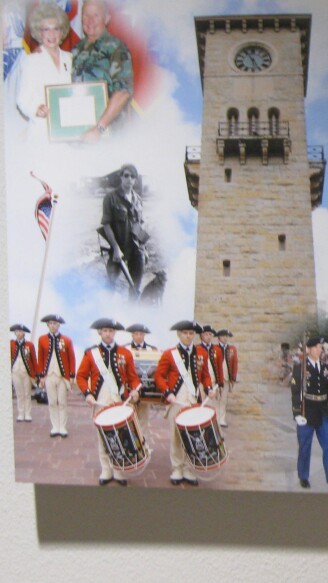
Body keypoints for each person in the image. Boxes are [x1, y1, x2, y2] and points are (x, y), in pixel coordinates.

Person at [76, 318, 141, 486]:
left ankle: (119, 470)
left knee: (121, 436)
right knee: (103, 436)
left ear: (115, 333)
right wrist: (88, 394)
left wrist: (135, 390)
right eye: (105, 330)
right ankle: (106, 469)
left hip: (120, 401)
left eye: (111, 331)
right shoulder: (91, 354)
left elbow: (133, 378)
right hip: (101, 401)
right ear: (100, 332)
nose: (108, 334)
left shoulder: (125, 354)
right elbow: (81, 377)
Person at [154, 320, 213, 486]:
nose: (188, 336)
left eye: (191, 333)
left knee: (193, 435)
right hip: (176, 400)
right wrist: (168, 393)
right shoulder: (169, 354)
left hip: (194, 400)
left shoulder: (201, 353)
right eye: (185, 333)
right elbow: (158, 376)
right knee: (175, 435)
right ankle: (177, 468)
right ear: (179, 334)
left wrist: (209, 388)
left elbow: (205, 376)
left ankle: (189, 467)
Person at [71, 0, 133, 141]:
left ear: (107, 19)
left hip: (110, 133)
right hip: (80, 131)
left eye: (96, 15)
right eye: (86, 15)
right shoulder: (76, 49)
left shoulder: (116, 47)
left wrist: (99, 128)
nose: (90, 20)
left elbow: (123, 92)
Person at [290, 336, 328, 493]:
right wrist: (296, 413)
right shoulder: (300, 368)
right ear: (308, 349)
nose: (319, 350)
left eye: (321, 347)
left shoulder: (326, 367)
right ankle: (303, 476)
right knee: (305, 446)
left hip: (323, 411)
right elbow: (295, 392)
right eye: (316, 347)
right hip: (307, 411)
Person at [15, 3, 72, 144]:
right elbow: (22, 99)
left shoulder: (71, 59)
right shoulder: (31, 60)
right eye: (46, 29)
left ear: (62, 31)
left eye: (56, 29)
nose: (52, 35)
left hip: (69, 131)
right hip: (42, 132)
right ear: (39, 33)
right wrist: (36, 109)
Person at [101, 163, 148, 298]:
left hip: (136, 249)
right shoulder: (110, 198)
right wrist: (115, 248)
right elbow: (106, 224)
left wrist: (144, 249)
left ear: (135, 180)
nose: (129, 179)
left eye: (133, 176)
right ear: (121, 177)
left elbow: (140, 226)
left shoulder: (138, 200)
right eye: (126, 175)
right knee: (110, 286)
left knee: (135, 288)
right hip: (118, 249)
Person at [36, 314, 76, 438]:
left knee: (62, 401)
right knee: (52, 401)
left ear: (59, 325)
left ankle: (63, 426)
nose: (53, 326)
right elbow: (41, 357)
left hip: (62, 376)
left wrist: (71, 376)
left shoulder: (67, 340)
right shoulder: (42, 339)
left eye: (55, 323)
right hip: (49, 375)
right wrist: (41, 375)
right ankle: (55, 426)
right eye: (51, 323)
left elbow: (71, 358)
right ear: (48, 325)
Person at [124, 323, 157, 436]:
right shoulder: (125, 349)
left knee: (143, 418)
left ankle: (144, 446)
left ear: (144, 335)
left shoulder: (152, 350)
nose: (138, 336)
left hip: (146, 387)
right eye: (136, 334)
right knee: (128, 417)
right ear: (132, 335)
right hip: (130, 388)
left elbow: (156, 367)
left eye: (141, 334)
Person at [10, 324, 38, 422]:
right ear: (15, 333)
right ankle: (21, 413)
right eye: (17, 331)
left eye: (21, 331)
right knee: (19, 393)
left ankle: (28, 413)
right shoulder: (11, 344)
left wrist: (36, 374)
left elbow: (34, 359)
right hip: (15, 371)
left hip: (26, 372)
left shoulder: (29, 345)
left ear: (24, 333)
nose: (19, 333)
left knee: (27, 393)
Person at [215, 329, 238, 427]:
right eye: (223, 336)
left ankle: (222, 419)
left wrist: (233, 378)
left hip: (226, 378)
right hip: (216, 378)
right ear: (219, 337)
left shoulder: (232, 349)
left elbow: (235, 363)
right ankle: (215, 419)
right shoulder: (214, 348)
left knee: (224, 399)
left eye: (226, 336)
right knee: (215, 399)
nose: (225, 338)